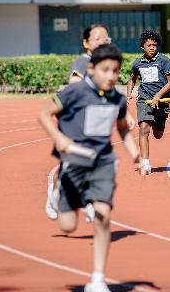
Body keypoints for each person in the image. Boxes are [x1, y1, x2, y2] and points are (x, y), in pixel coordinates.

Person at [38, 43, 145, 292]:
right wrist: (59, 138)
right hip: (74, 162)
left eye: (115, 71)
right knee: (67, 225)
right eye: (105, 70)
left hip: (102, 162)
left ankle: (97, 279)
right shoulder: (74, 92)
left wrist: (135, 154)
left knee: (103, 215)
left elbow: (122, 128)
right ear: (91, 69)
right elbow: (44, 115)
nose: (111, 76)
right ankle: (58, 191)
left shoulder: (117, 99)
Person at [46, 24, 135, 221]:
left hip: (94, 122)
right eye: (97, 38)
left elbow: (110, 92)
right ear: (86, 43)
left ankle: (91, 203)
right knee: (70, 164)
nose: (102, 41)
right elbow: (75, 87)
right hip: (76, 120)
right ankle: (56, 190)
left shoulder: (107, 64)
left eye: (105, 38)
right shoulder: (82, 61)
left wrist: (125, 114)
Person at [126, 29, 170, 175]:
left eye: (154, 45)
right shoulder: (137, 63)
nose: (152, 48)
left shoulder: (164, 60)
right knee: (143, 128)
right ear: (142, 46)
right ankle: (145, 163)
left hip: (162, 100)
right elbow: (132, 79)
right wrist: (129, 94)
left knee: (158, 134)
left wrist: (158, 95)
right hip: (144, 99)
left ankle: (159, 123)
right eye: (149, 45)